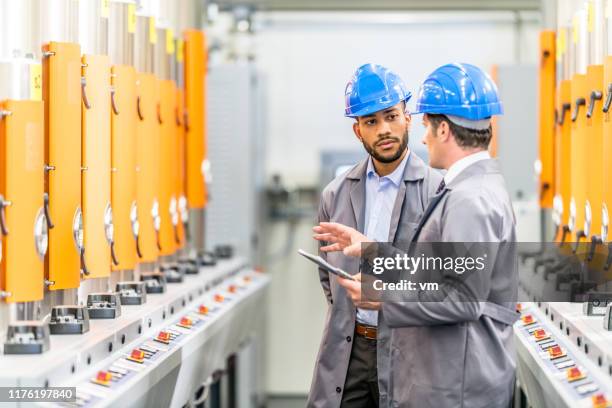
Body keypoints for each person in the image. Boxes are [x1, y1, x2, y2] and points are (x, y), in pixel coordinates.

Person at [314, 63, 519, 408]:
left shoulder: (467, 197)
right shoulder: (469, 189)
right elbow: (431, 270)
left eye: (423, 124)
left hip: (456, 383)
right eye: (370, 121)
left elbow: (461, 297)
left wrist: (382, 297)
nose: (423, 137)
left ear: (441, 130)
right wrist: (371, 249)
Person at [307, 64, 441, 408]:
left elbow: (443, 278)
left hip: (408, 347)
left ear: (408, 118)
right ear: (358, 131)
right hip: (350, 350)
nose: (384, 129)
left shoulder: (437, 192)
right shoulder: (335, 195)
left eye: (391, 116)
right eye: (371, 122)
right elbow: (329, 278)